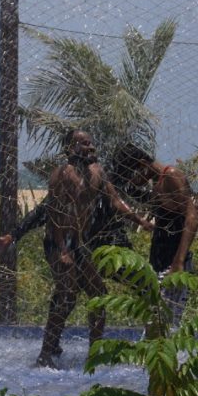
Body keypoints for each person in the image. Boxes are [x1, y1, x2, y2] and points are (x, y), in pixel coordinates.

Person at [28, 130, 149, 368]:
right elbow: (54, 213)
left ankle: (94, 354)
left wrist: (140, 221)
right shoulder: (62, 174)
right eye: (83, 144)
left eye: (91, 143)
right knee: (67, 295)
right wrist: (62, 249)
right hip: (57, 242)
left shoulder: (97, 172)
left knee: (99, 295)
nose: (90, 147)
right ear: (70, 148)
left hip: (79, 243)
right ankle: (45, 353)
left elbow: (115, 201)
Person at [113, 142, 198, 325]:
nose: (132, 182)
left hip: (173, 264)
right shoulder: (157, 184)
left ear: (142, 165)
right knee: (157, 325)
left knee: (162, 324)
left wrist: (178, 262)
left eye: (131, 176)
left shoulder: (171, 176)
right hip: (159, 263)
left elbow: (192, 218)